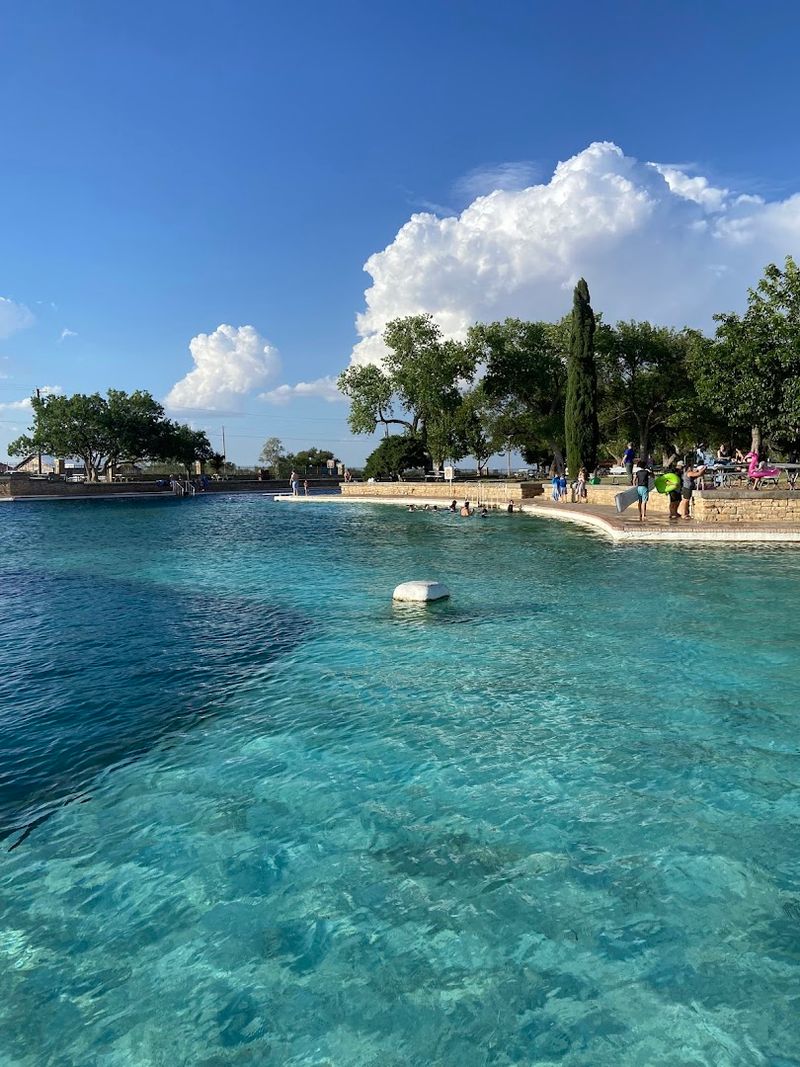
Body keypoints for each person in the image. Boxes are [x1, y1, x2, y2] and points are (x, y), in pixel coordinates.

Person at [633, 457, 653, 522]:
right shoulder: (646, 472)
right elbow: (653, 476)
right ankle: (644, 515)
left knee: (640, 501)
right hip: (644, 488)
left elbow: (634, 480)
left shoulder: (637, 472)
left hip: (639, 488)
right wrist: (650, 471)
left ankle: (640, 514)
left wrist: (634, 485)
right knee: (644, 502)